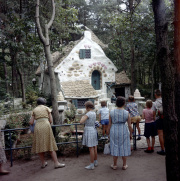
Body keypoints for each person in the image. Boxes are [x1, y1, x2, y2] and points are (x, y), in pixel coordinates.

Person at [29, 97, 65, 169]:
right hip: (46, 125)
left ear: (37, 103)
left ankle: (43, 163)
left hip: (38, 127)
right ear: (44, 103)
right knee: (50, 144)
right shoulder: (47, 108)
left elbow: (31, 122)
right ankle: (56, 163)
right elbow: (51, 120)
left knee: (39, 145)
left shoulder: (34, 110)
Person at [108, 96, 132, 170]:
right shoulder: (126, 113)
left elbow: (109, 124)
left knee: (114, 146)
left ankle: (115, 165)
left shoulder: (111, 112)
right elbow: (129, 125)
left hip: (114, 130)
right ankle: (124, 165)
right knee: (124, 146)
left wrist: (108, 134)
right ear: (124, 103)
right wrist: (131, 134)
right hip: (123, 130)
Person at [80, 101, 98, 170]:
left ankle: (91, 164)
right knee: (94, 147)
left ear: (87, 107)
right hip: (93, 129)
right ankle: (95, 162)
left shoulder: (88, 114)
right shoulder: (94, 113)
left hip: (89, 130)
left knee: (91, 148)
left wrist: (83, 115)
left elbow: (81, 121)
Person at [152, 89, 165, 155]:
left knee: (161, 134)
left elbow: (154, 113)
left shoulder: (155, 103)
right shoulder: (165, 100)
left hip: (159, 119)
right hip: (166, 118)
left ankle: (163, 149)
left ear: (155, 95)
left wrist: (154, 119)